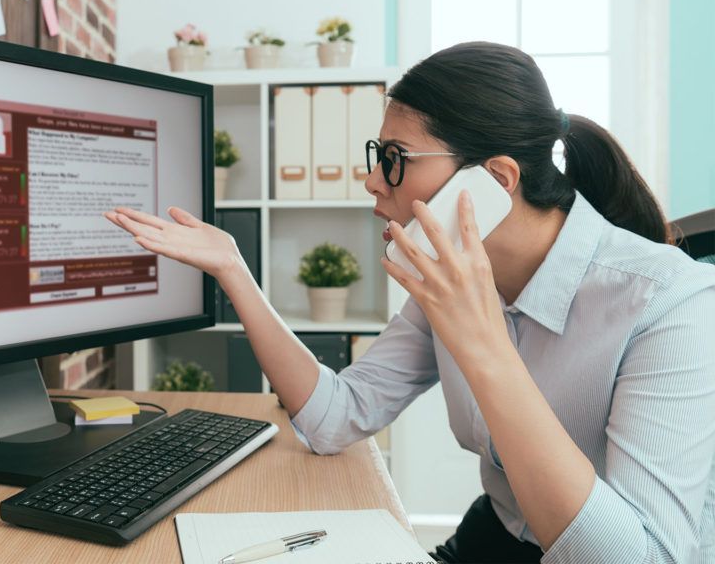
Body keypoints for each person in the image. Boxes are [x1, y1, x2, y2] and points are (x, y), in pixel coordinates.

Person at [103, 42, 715, 563]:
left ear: (495, 181)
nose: (372, 180)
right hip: (494, 538)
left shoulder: (669, 305)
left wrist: (484, 345)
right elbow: (335, 417)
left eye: (394, 160)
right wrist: (234, 270)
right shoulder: (445, 282)